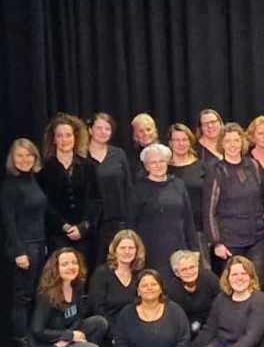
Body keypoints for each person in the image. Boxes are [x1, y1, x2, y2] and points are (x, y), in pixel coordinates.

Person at [182, 256, 264, 347]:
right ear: (228, 278)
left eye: (244, 274)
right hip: (221, 345)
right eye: (234, 274)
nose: (239, 278)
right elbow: (210, 329)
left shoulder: (260, 301)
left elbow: (251, 338)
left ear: (251, 277)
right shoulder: (221, 299)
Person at [27, 247, 108, 347]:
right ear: (56, 269)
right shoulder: (46, 295)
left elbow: (79, 316)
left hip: (65, 334)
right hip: (46, 346)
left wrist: (71, 336)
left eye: (74, 263)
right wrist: (68, 336)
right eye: (65, 264)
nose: (71, 267)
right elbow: (38, 331)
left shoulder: (77, 286)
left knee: (99, 323)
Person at [205, 123, 264, 286]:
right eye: (228, 141)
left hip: (257, 237)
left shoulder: (254, 166)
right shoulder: (217, 170)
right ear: (221, 144)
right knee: (235, 285)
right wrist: (217, 242)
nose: (232, 145)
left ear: (242, 142)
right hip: (230, 240)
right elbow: (209, 210)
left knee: (257, 283)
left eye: (236, 140)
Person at [2, 139, 48, 347]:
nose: (25, 160)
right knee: (22, 298)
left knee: (36, 296)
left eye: (29, 155)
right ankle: (22, 345)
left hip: (39, 244)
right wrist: (19, 252)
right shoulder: (11, 185)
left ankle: (34, 340)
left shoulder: (32, 179)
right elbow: (8, 221)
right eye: (20, 156)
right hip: (24, 247)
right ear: (13, 159)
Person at [38, 113, 102, 269]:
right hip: (57, 237)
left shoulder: (89, 167)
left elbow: (97, 201)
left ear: (75, 137)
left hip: (85, 236)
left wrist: (83, 227)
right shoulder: (44, 170)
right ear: (54, 139)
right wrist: (63, 226)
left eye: (68, 135)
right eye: (59, 136)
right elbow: (45, 205)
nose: (64, 140)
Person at [128, 143, 198, 274]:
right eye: (153, 162)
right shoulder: (138, 189)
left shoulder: (178, 184)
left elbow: (188, 219)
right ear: (146, 166)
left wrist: (194, 249)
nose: (158, 165)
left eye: (162, 161)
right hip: (152, 250)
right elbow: (131, 223)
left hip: (179, 248)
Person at [89, 229, 146, 347]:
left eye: (131, 248)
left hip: (136, 332)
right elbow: (97, 309)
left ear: (137, 250)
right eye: (122, 248)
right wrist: (116, 336)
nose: (127, 251)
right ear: (114, 250)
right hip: (110, 335)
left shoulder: (141, 275)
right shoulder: (102, 274)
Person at [87, 113, 133, 253]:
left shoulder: (119, 154)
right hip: (90, 223)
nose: (103, 132)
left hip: (117, 221)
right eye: (99, 128)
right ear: (90, 130)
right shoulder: (81, 155)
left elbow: (128, 188)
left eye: (107, 129)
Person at [167, 123, 209, 262]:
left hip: (199, 231)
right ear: (170, 143)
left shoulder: (202, 167)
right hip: (172, 231)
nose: (181, 143)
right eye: (176, 140)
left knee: (202, 270)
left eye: (184, 139)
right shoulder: (163, 169)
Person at [164, 249, 218, 335]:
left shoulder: (209, 278)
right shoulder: (172, 289)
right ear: (177, 273)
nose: (189, 272)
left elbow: (221, 303)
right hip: (188, 325)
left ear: (198, 267)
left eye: (192, 267)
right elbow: (176, 318)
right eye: (184, 269)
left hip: (213, 320)